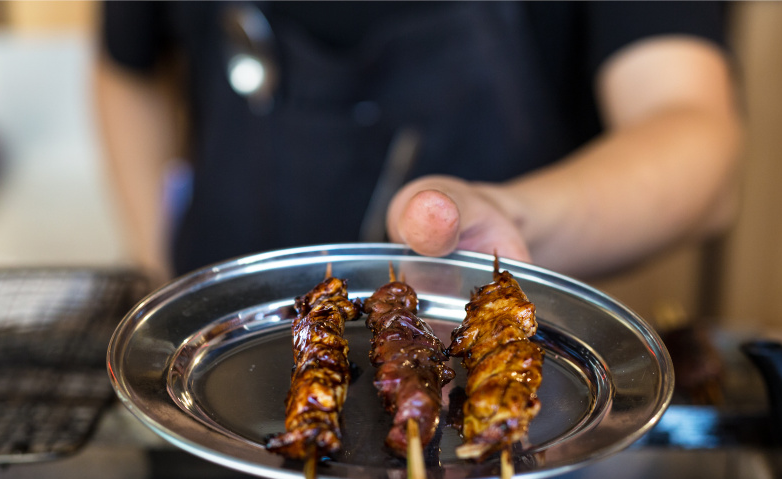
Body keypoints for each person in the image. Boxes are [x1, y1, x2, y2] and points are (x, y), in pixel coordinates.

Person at [95, 1, 741, 285]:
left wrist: (514, 218)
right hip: (214, 385)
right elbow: (125, 73)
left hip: (490, 413)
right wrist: (159, 264)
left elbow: (694, 135)